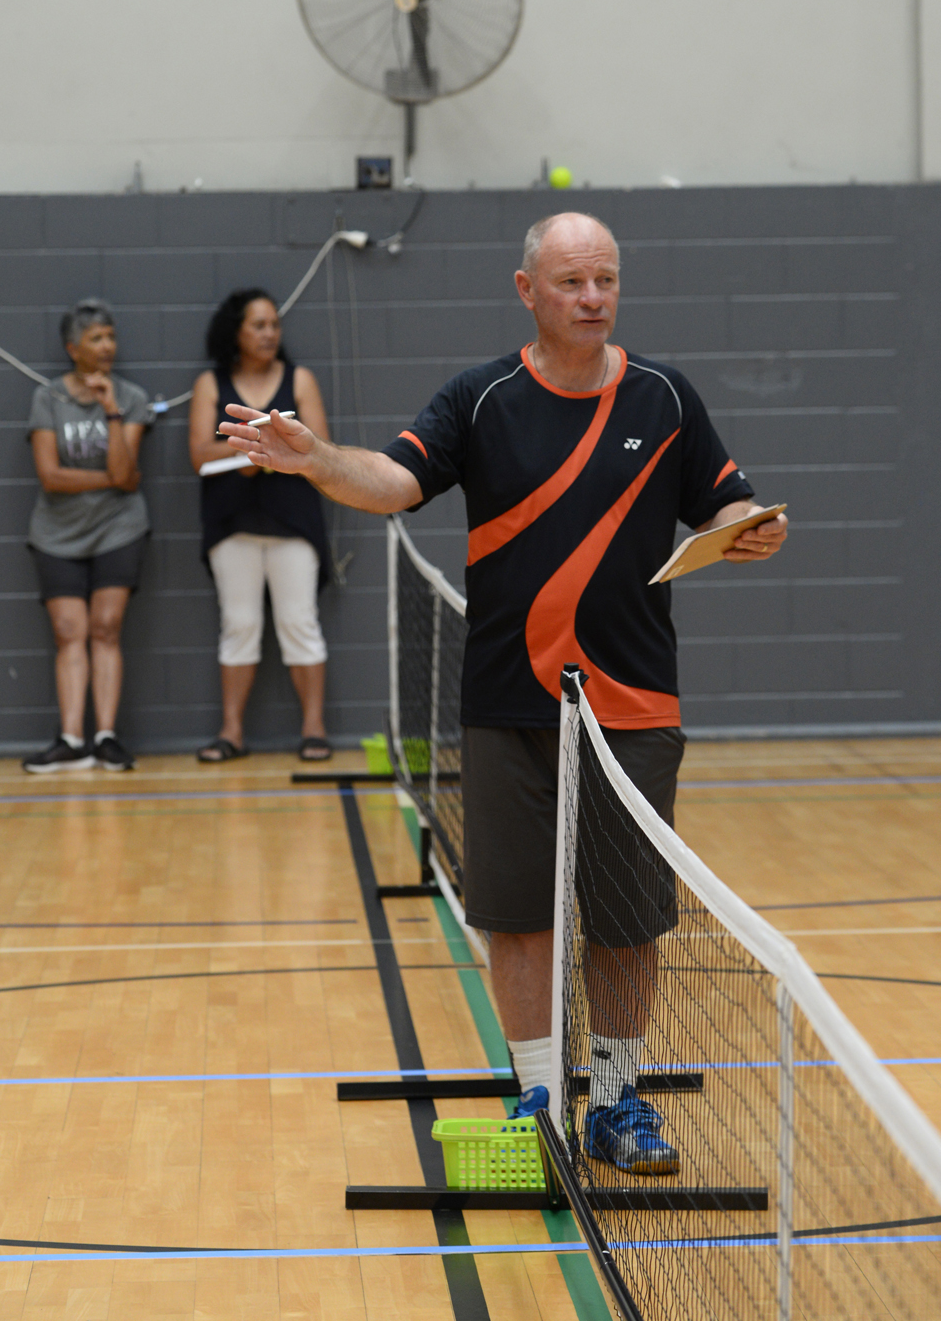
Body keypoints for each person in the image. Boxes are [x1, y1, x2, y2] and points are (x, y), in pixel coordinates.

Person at [219, 213, 788, 1173]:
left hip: (631, 707)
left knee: (626, 920)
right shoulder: (480, 399)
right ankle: (541, 1104)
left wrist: (750, 522)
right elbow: (393, 481)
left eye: (605, 280)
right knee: (517, 916)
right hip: (508, 702)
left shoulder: (665, 397)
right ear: (527, 290)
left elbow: (723, 496)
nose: (593, 298)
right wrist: (316, 458)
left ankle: (616, 1101)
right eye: (571, 282)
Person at [189, 288, 333, 763]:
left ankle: (314, 729)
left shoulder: (300, 379)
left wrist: (278, 455)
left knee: (299, 621)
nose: (269, 333)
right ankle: (231, 732)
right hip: (232, 525)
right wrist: (249, 452)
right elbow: (199, 455)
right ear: (236, 332)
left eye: (274, 324)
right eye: (259, 325)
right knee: (240, 624)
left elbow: (321, 450)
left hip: (293, 522)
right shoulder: (211, 383)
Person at [22, 299, 152, 774]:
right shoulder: (48, 398)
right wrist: (112, 480)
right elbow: (51, 476)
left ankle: (105, 737)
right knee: (68, 631)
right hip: (56, 533)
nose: (107, 346)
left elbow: (126, 470)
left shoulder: (131, 398)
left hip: (119, 529)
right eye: (96, 338)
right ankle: (71, 739)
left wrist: (111, 410)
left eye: (111, 336)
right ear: (72, 348)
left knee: (106, 627)